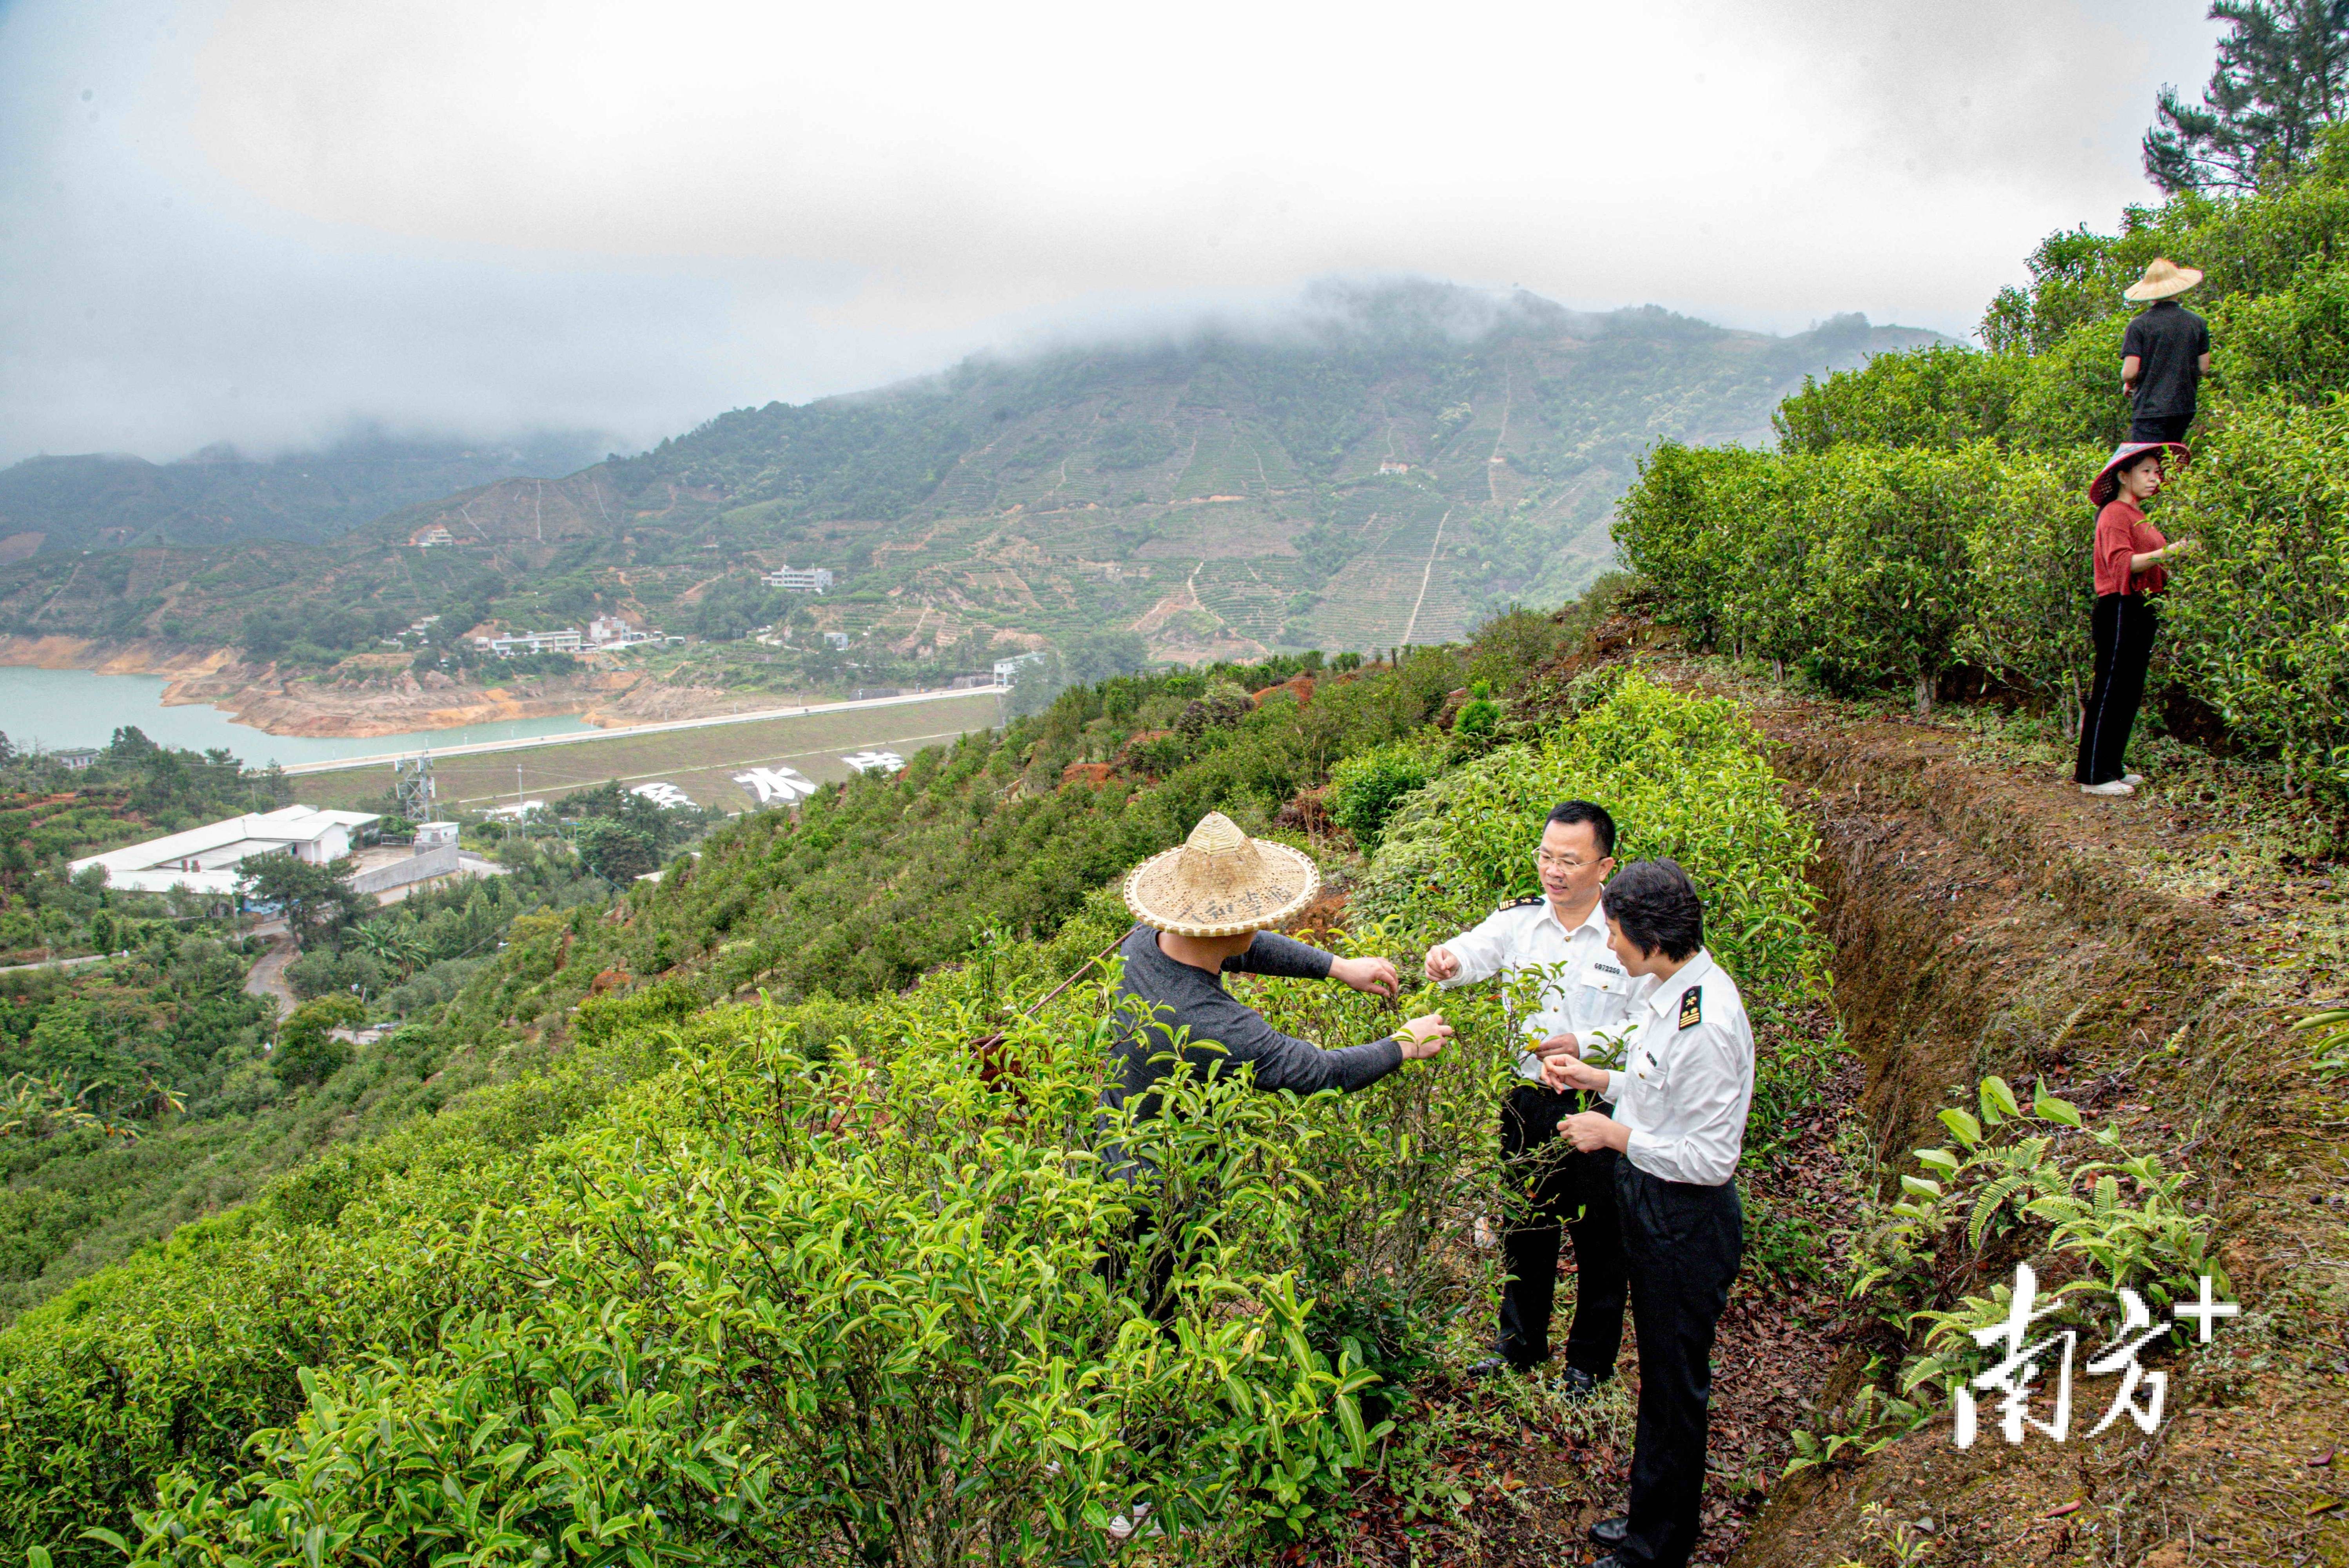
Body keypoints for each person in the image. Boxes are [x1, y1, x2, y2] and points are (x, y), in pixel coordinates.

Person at [1100, 811, 1452, 1307]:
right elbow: (1318, 1071)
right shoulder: (1208, 1022)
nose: (1269, 919)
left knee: (1117, 1295)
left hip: (1112, 1147)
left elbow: (1236, 945)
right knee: (1152, 1309)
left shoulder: (1146, 941)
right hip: (1158, 1193)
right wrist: (1402, 1045)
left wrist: (1335, 966)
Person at [1547, 859, 1751, 1568]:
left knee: (1672, 1388)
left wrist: (1613, 1133)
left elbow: (1708, 1158)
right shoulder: (1674, 990)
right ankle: (1647, 1516)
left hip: (1685, 1219)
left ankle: (1656, 1548)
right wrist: (1599, 1080)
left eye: (1614, 933)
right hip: (1655, 1203)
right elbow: (1659, 1084)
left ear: (1650, 936)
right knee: (1659, 1379)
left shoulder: (1708, 1019)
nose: (1608, 946)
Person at [1423, 800, 1636, 1394]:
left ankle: (1588, 1365)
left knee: (1600, 1238)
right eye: (1546, 856)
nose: (1554, 870)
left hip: (1601, 1103)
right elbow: (1473, 950)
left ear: (1604, 866)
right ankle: (1519, 1346)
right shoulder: (1521, 920)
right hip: (1528, 1102)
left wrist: (1586, 1045)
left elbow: (1652, 1025)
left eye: (1571, 860)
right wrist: (1447, 961)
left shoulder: (1627, 934)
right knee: (1526, 1226)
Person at [2075, 443, 2198, 799]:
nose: (2154, 478)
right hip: (2119, 607)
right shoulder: (2114, 513)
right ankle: (2093, 775)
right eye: (2146, 471)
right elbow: (2121, 565)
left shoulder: (2139, 516)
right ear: (2124, 475)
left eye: (2158, 472)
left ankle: (2112, 767)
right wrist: (2171, 552)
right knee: (2111, 689)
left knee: (2128, 691)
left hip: (2141, 608)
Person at [2120, 257, 2211, 445]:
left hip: (2150, 410)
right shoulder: (2197, 322)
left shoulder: (2139, 326)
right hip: (2184, 407)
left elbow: (2130, 373)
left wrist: (2130, 383)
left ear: (2150, 292)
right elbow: (2203, 368)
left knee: (2145, 465)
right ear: (2177, 288)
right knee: (2170, 462)